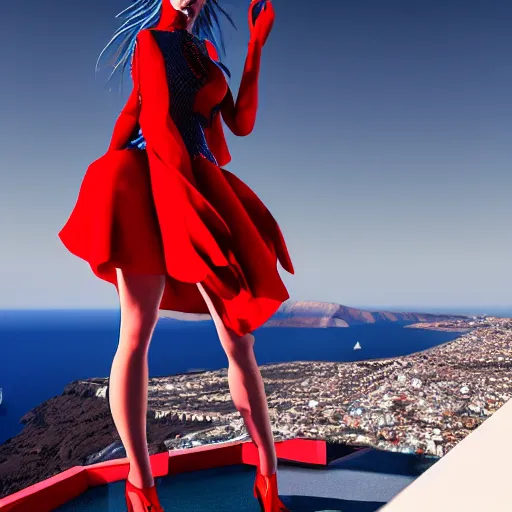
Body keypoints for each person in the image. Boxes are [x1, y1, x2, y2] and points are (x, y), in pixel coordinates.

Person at [58, 0, 294, 510]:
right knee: (136, 335)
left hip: (198, 182)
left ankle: (269, 479)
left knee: (240, 341)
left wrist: (256, 45)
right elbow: (154, 118)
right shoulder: (149, 42)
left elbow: (241, 123)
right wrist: (145, 184)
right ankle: (141, 486)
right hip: (154, 186)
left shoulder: (205, 53)